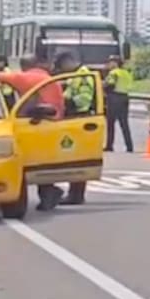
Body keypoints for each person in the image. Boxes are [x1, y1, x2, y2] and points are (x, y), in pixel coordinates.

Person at [0, 55, 66, 211]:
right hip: (52, 121)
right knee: (41, 162)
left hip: (42, 121)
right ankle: (49, 192)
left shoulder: (28, 77)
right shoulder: (46, 77)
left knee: (27, 160)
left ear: (24, 66)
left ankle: (47, 192)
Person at [53, 51, 94, 205]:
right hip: (75, 118)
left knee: (77, 158)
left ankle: (76, 195)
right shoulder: (75, 75)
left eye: (62, 67)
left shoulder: (82, 75)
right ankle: (74, 193)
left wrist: (68, 103)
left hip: (80, 117)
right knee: (74, 157)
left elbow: (85, 98)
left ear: (67, 62)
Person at [103, 53, 134, 152]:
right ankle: (129, 146)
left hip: (114, 98)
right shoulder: (126, 73)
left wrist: (104, 87)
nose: (109, 64)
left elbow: (110, 84)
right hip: (125, 98)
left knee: (110, 123)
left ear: (115, 63)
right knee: (124, 123)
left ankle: (109, 145)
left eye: (111, 62)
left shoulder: (114, 73)